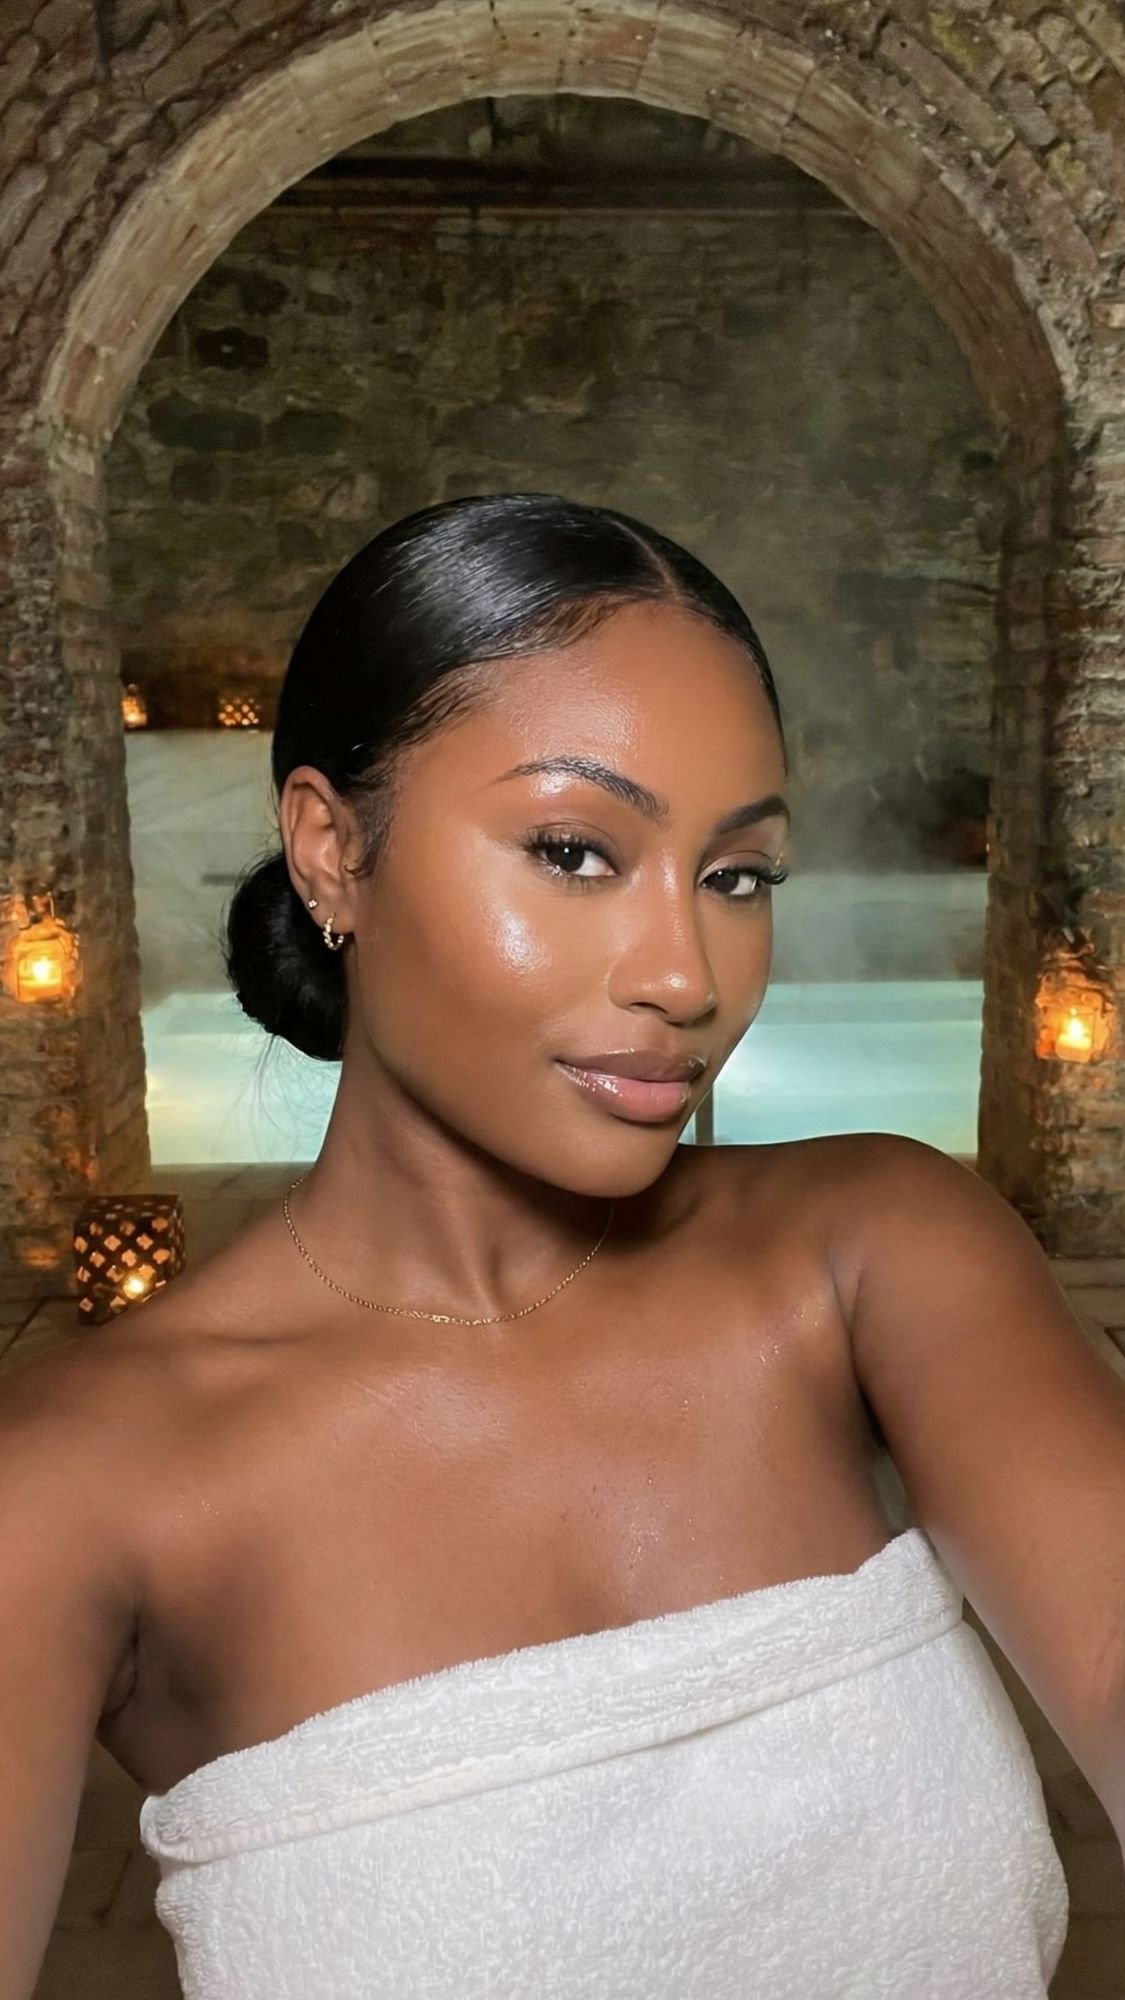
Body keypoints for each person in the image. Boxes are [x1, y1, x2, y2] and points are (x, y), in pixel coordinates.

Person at [5, 491, 1124, 2000]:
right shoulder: (78, 1483)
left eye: (737, 877)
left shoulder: (877, 1249)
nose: (685, 974)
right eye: (575, 851)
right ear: (331, 851)